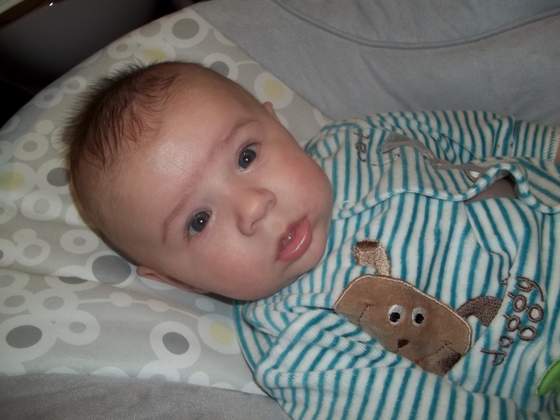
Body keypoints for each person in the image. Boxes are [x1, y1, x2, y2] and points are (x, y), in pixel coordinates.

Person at [64, 61, 560, 419]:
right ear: (178, 280)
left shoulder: (351, 141)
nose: (254, 206)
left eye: (246, 156)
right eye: (198, 220)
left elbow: (453, 134)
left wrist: (546, 145)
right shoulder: (299, 345)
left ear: (275, 121)